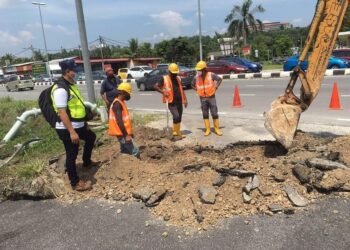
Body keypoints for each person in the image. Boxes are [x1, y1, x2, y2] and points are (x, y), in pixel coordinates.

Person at [52, 59, 97, 192]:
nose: (76, 73)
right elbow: (62, 112)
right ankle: (75, 182)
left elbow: (77, 107)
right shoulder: (61, 89)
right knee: (72, 153)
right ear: (67, 71)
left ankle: (87, 162)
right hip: (67, 127)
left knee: (91, 137)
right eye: (74, 70)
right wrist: (72, 132)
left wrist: (85, 123)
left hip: (78, 124)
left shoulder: (71, 85)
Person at [154, 63, 188, 138]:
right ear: (169, 71)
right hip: (171, 101)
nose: (175, 75)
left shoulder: (178, 78)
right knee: (176, 116)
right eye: (173, 73)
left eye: (176, 73)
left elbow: (181, 90)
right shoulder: (164, 78)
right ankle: (175, 132)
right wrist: (163, 92)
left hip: (179, 101)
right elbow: (155, 86)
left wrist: (185, 100)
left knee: (179, 117)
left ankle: (177, 132)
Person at [108, 83, 140, 158]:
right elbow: (119, 122)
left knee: (125, 153)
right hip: (122, 134)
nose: (129, 96)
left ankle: (124, 167)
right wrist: (126, 135)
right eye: (128, 93)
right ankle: (138, 168)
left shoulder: (120, 102)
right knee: (135, 152)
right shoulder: (117, 104)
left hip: (122, 133)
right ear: (123, 92)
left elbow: (124, 120)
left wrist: (129, 133)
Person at [192, 60, 223, 136]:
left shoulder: (211, 75)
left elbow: (219, 79)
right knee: (205, 114)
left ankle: (217, 129)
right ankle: (208, 130)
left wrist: (216, 86)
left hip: (211, 97)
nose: (198, 71)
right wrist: (197, 89)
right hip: (202, 98)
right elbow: (192, 84)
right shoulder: (196, 77)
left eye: (199, 70)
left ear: (204, 69)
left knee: (214, 113)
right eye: (198, 70)